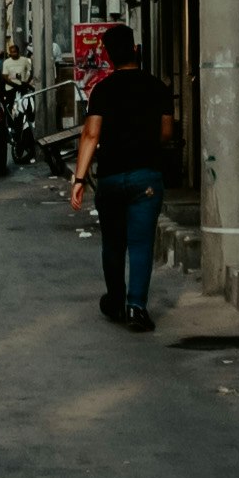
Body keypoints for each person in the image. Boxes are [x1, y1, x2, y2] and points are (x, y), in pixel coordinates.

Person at [68, 36, 171, 327]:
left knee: (113, 243)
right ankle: (136, 307)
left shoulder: (102, 90)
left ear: (110, 57)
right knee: (141, 244)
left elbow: (90, 135)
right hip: (146, 177)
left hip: (111, 177)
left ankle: (115, 300)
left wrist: (78, 179)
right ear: (136, 51)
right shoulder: (157, 87)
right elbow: (166, 133)